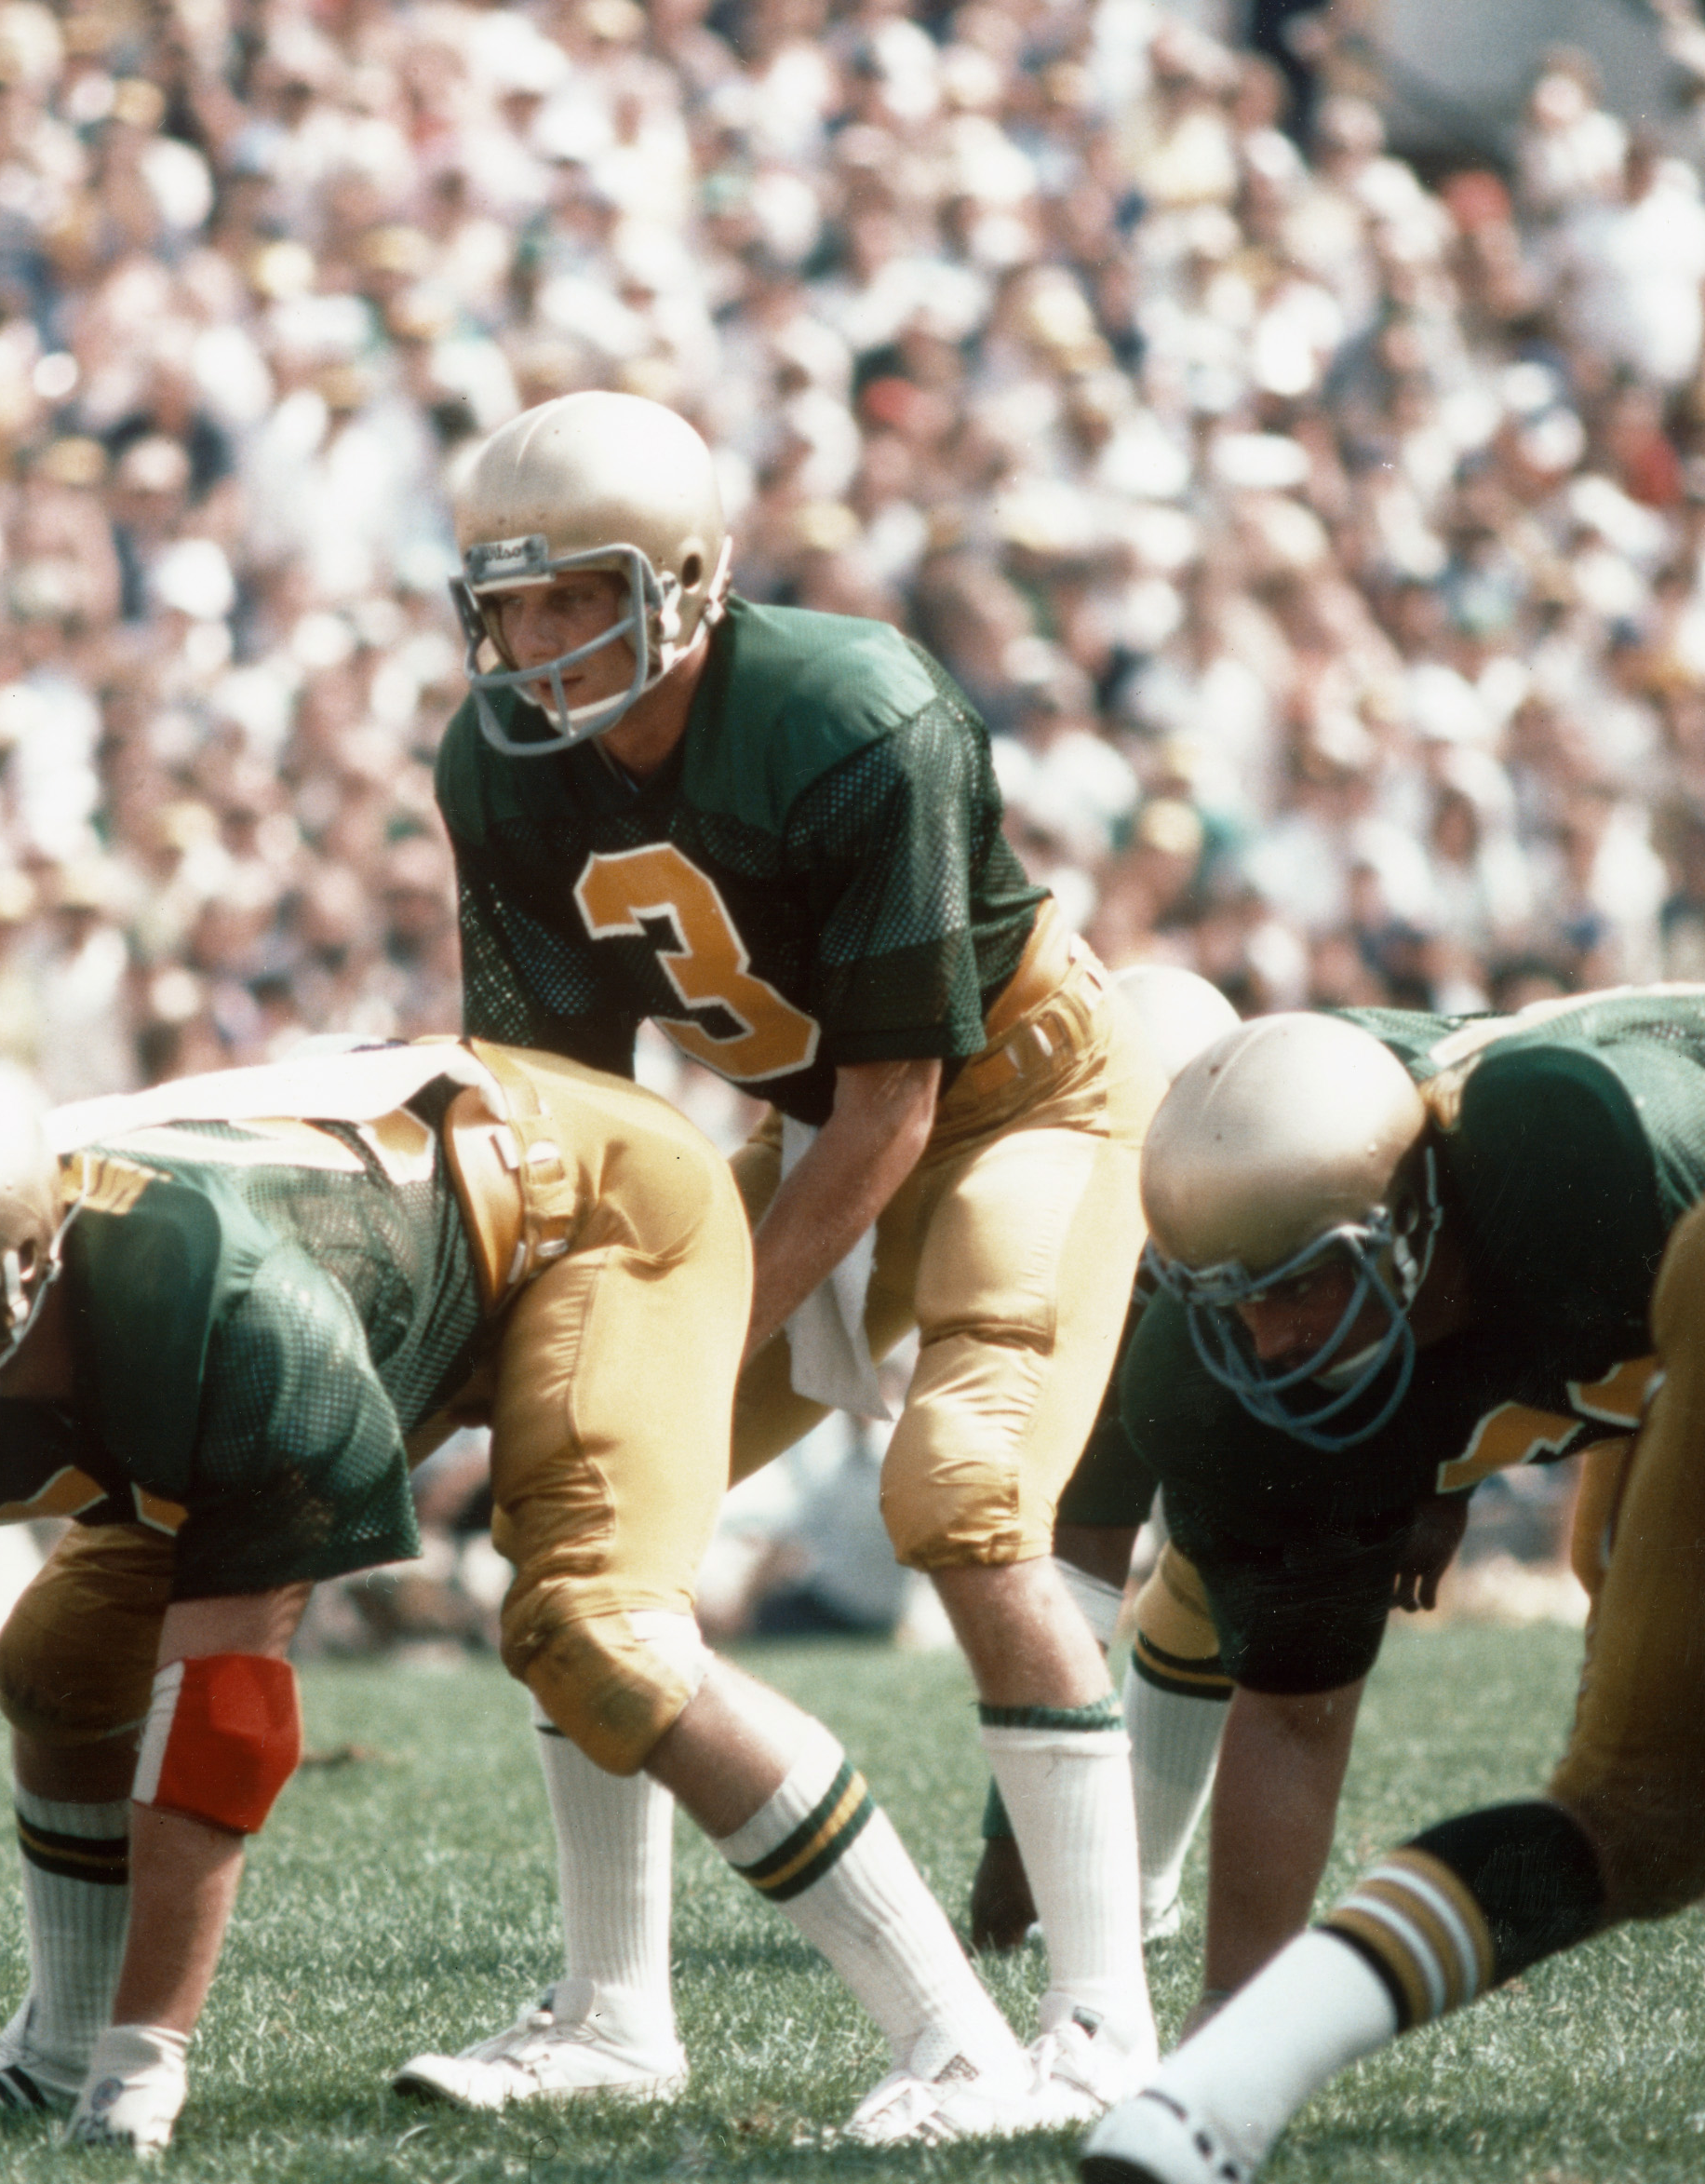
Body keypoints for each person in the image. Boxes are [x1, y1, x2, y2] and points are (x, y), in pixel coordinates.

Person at [0, 1040, 1066, 2153]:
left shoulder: (214, 1297)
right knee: (59, 1668)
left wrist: (151, 2061)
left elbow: (222, 1715)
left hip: (591, 1205)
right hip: (376, 1269)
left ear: (25, 1260)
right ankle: (56, 2043)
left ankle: (963, 2044)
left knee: (599, 1634)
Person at [419, 390, 1170, 2126]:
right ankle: (612, 2012)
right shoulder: (499, 768)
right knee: (578, 1491)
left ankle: (1099, 2030)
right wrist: (524, 1355)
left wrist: (685, 1340)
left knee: (963, 1493)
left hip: (1022, 1094)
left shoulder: (849, 712)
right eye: (510, 604)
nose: (537, 640)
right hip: (820, 1115)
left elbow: (904, 1098)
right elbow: (564, 1116)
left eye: (577, 595)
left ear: (687, 578)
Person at [1081, 971, 1705, 2184]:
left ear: (1406, 1225)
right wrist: (1228, 2035)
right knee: (1656, 1696)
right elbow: (1293, 1709)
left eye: (1299, 1283)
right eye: (1233, 1301)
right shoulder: (1231, 1368)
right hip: (1684, 1288)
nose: (1267, 1341)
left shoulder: (1594, 1152)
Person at [966, 962, 1241, 1955]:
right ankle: (1139, 1896)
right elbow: (1080, 1572)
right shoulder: (1102, 1264)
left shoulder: (1286, 1203)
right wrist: (1014, 1845)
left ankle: (1148, 1890)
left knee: (1229, 1568)